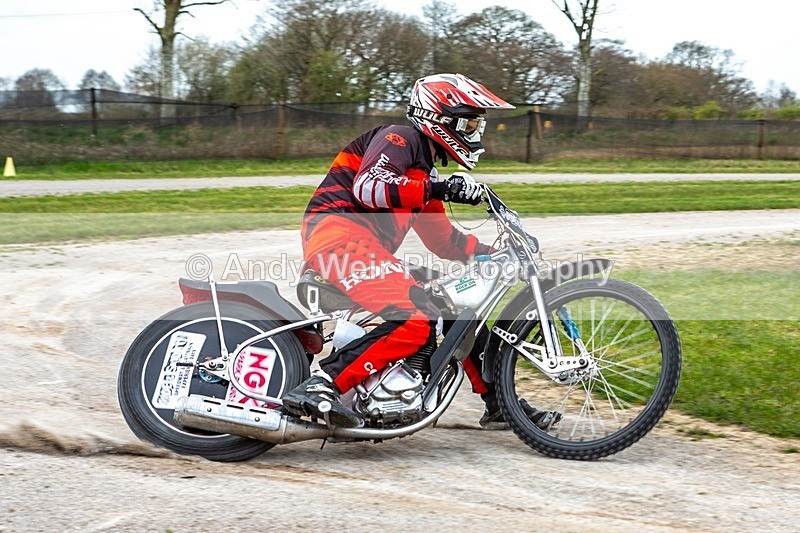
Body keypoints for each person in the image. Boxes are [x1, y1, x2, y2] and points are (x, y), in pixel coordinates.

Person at [283, 73, 559, 430]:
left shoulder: (420, 173)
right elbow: (370, 187)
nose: (475, 133)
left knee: (456, 305)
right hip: (339, 238)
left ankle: (499, 403)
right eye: (470, 123)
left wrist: (499, 253)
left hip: (363, 248)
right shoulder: (399, 138)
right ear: (442, 118)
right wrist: (441, 186)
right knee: (416, 321)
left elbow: (445, 242)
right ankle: (322, 385)